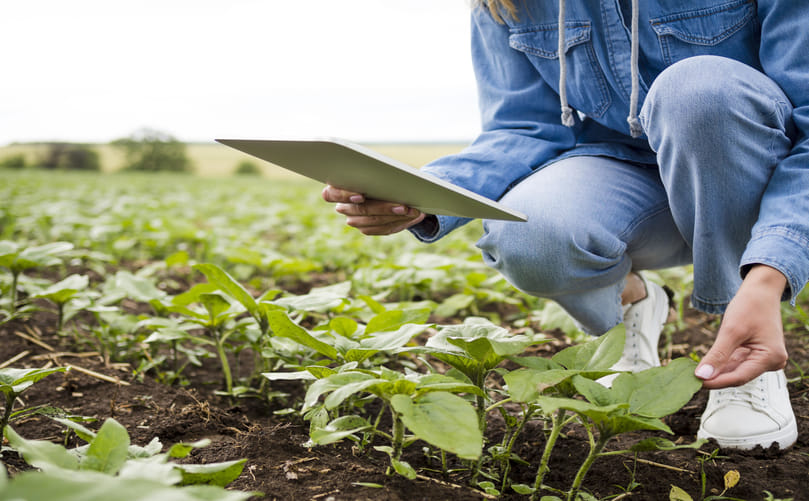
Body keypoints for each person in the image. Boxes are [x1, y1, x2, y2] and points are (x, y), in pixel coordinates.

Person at [323, 0, 808, 450]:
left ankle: (746, 348)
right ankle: (629, 308)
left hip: (749, 174)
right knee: (528, 234)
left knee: (698, 91)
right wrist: (424, 193)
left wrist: (769, 275)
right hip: (623, 176)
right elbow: (522, 126)